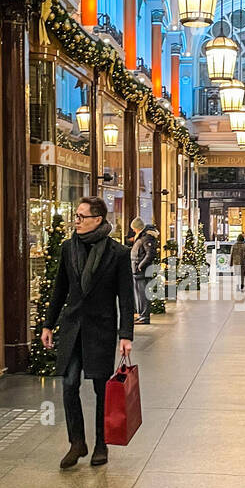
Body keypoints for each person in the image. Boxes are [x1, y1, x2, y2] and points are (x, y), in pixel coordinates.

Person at [41, 197, 134, 469]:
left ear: (98, 219)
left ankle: (101, 445)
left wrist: (125, 334)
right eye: (76, 215)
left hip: (100, 329)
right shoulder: (68, 248)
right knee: (69, 384)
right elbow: (59, 290)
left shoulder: (117, 253)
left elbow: (126, 298)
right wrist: (48, 325)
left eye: (82, 216)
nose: (76, 220)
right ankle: (77, 442)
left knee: (101, 389)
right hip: (73, 328)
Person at [130, 218, 156, 325]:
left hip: (142, 271)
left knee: (143, 294)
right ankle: (141, 315)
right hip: (137, 270)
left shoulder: (146, 238)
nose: (134, 230)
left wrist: (141, 266)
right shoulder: (141, 237)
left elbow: (150, 254)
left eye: (134, 228)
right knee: (139, 294)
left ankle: (144, 316)